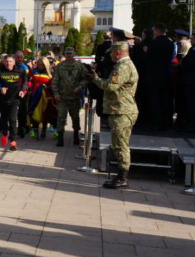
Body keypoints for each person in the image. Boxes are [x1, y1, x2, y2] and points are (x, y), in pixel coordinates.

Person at [90, 41, 139, 188]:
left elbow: (111, 86)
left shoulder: (123, 66)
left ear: (118, 52)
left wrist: (95, 79)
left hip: (122, 111)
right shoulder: (123, 65)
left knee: (120, 144)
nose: (110, 55)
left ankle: (123, 177)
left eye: (111, 52)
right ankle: (121, 175)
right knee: (119, 143)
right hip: (120, 110)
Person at [53, 47, 90, 147]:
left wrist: (80, 86)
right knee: (61, 117)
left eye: (70, 54)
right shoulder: (60, 66)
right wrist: (56, 93)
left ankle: (76, 135)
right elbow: (55, 81)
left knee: (75, 118)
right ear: (65, 54)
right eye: (67, 54)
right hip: (62, 97)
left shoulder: (79, 66)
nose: (69, 55)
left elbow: (86, 78)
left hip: (74, 97)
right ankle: (60, 139)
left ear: (74, 54)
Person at [144, 23, 175, 131]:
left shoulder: (154, 43)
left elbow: (147, 58)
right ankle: (166, 121)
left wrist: (146, 52)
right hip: (166, 75)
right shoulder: (170, 43)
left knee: (155, 100)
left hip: (154, 76)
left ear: (157, 31)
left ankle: (157, 122)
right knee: (165, 99)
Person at [0, 53, 27, 151]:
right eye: (6, 61)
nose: (8, 63)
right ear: (3, 62)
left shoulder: (20, 70)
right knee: (4, 119)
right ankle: (4, 134)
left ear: (14, 62)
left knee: (13, 119)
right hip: (3, 99)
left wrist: (23, 90)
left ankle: (13, 141)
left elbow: (25, 80)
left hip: (15, 99)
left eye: (10, 61)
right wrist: (0, 89)